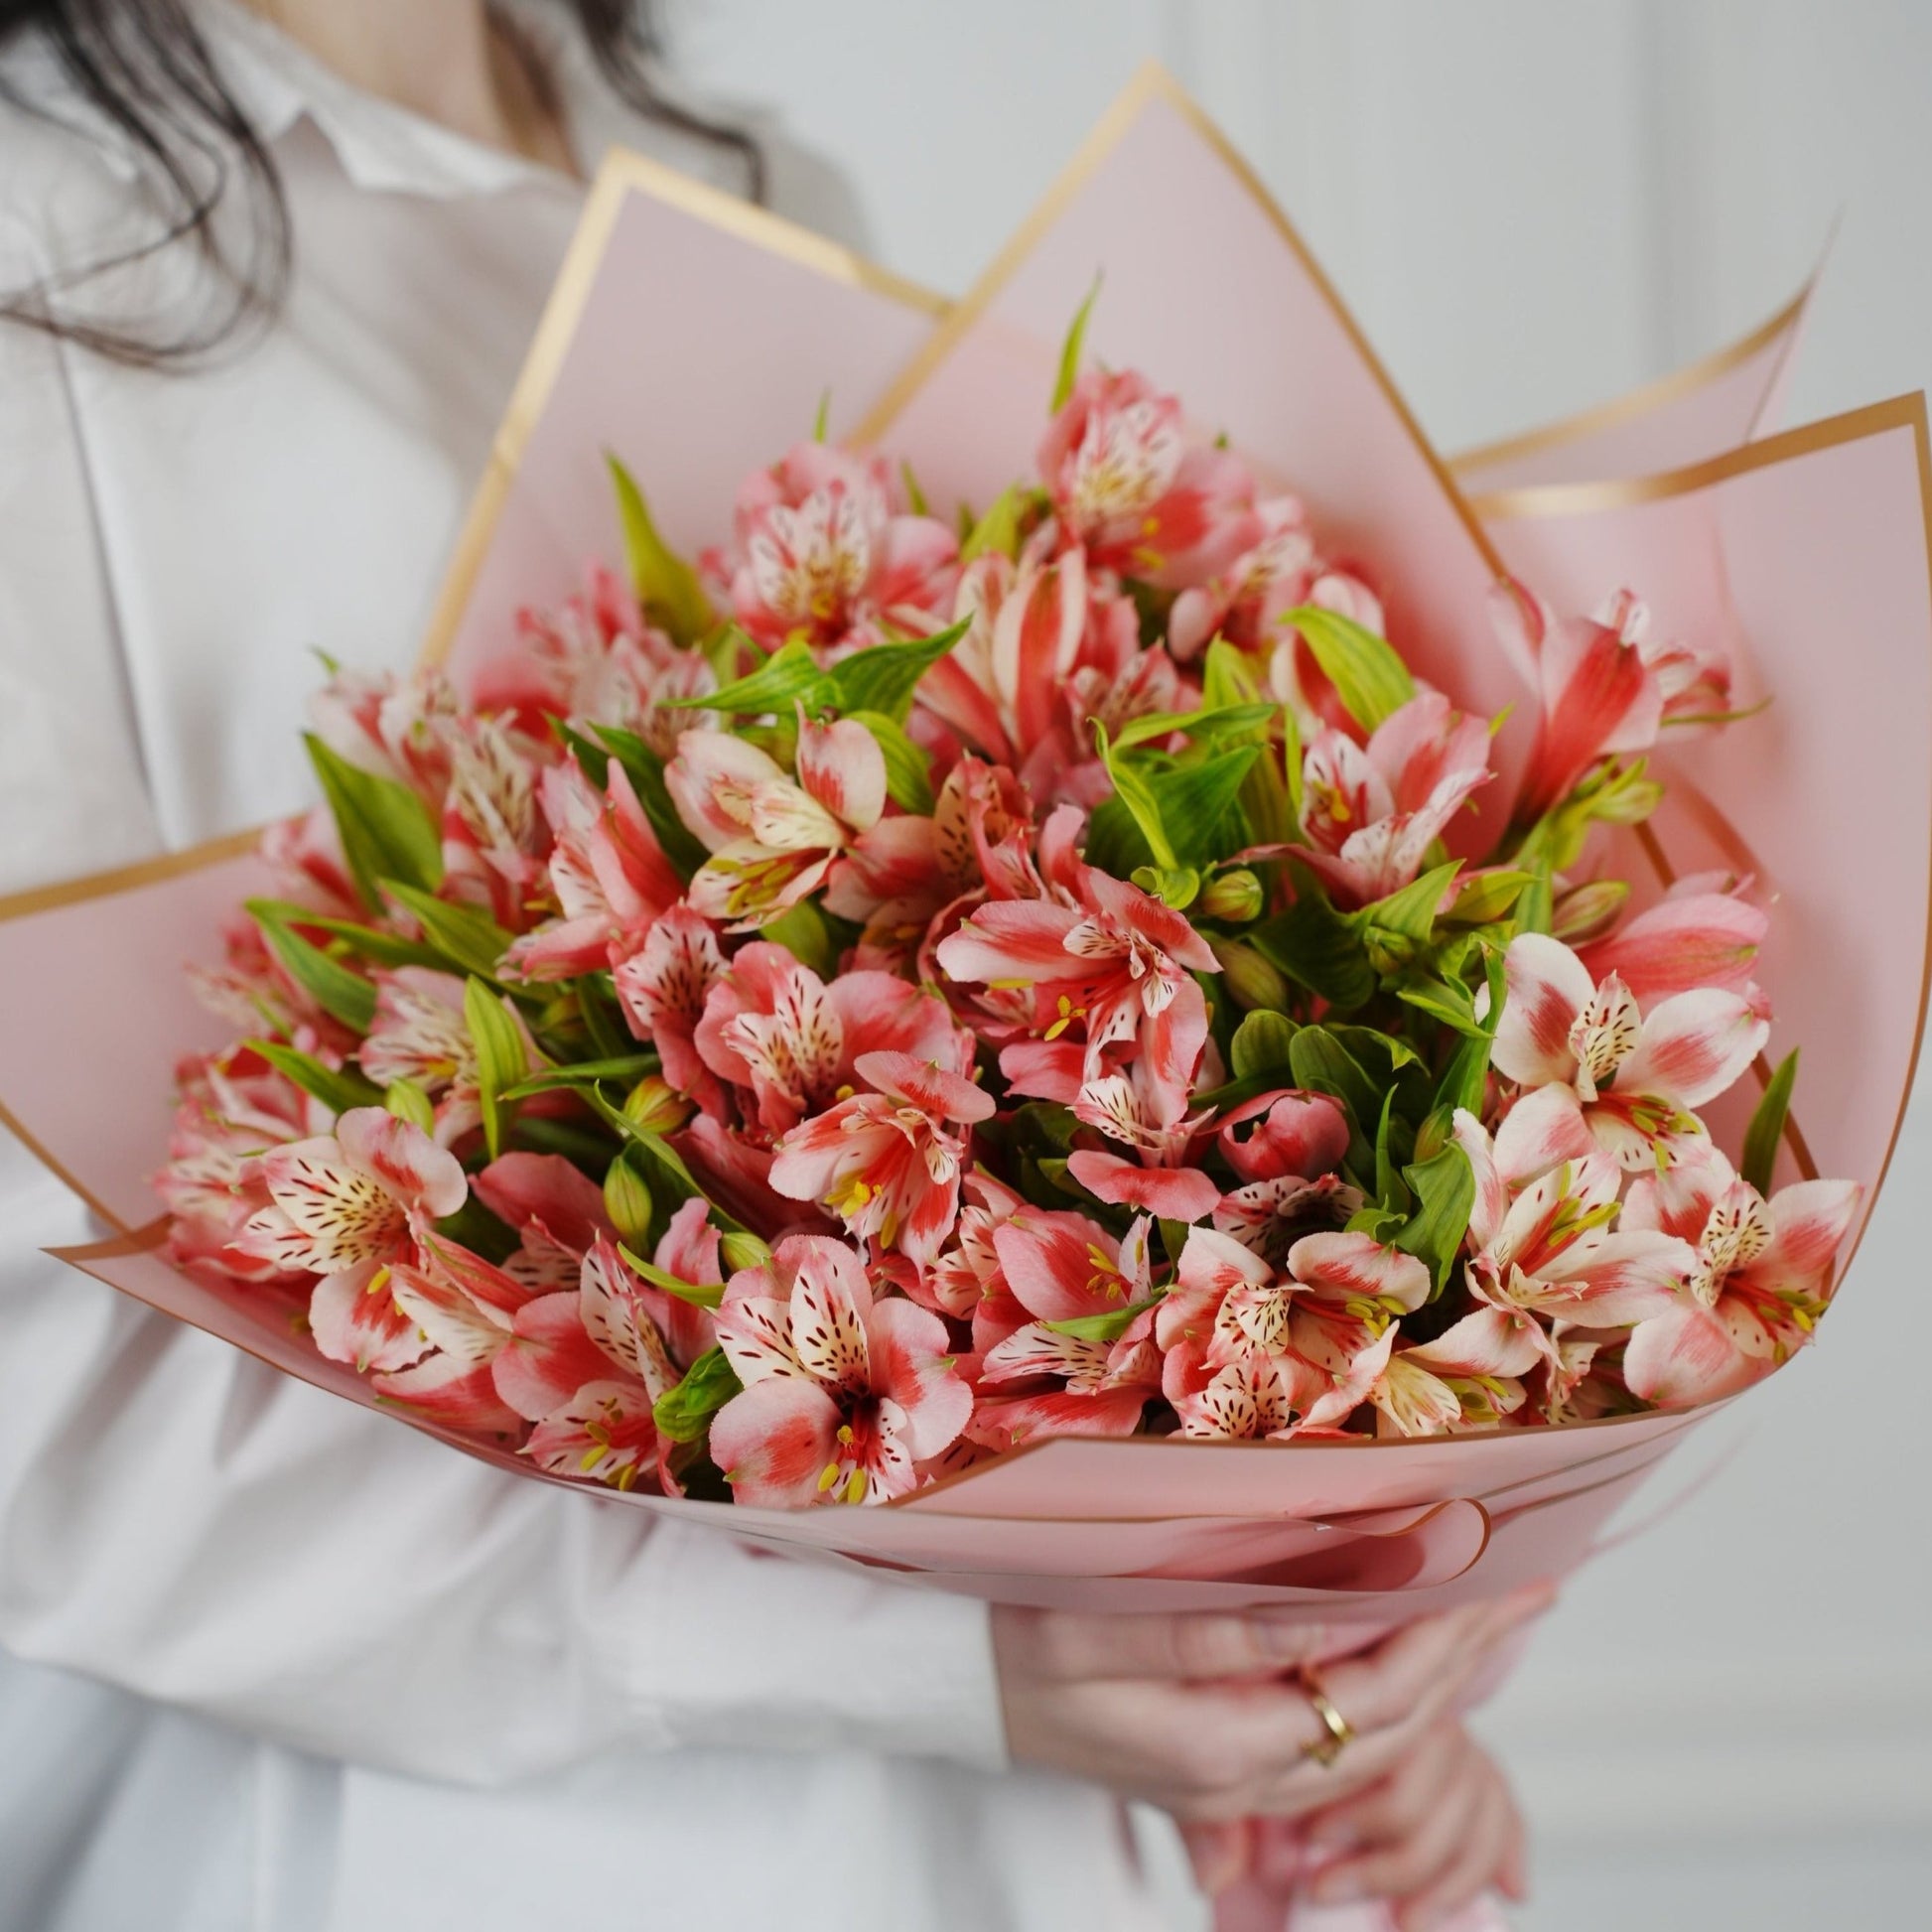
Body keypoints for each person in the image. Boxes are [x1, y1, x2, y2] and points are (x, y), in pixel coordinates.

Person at [0, 6, 1541, 1928]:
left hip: (1031, 1839)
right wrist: (934, 1663)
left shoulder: (748, 191)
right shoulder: (36, 256)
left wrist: (1292, 1680)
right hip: (423, 1855)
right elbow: (39, 1405)